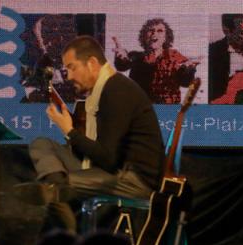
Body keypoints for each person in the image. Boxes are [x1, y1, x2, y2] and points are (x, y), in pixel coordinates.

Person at [16, 36, 164, 207]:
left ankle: (55, 188)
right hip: (108, 169)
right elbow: (95, 155)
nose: (69, 76)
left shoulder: (117, 90)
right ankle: (56, 185)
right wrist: (71, 131)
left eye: (72, 68)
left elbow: (108, 161)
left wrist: (70, 131)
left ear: (92, 63)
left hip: (132, 180)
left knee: (63, 188)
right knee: (41, 144)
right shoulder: (99, 93)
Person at [113, 17, 198, 104]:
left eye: (160, 31)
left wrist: (188, 70)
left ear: (165, 37)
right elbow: (122, 65)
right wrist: (121, 57)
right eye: (150, 30)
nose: (154, 33)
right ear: (144, 36)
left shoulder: (174, 56)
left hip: (167, 108)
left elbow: (185, 82)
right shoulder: (136, 56)